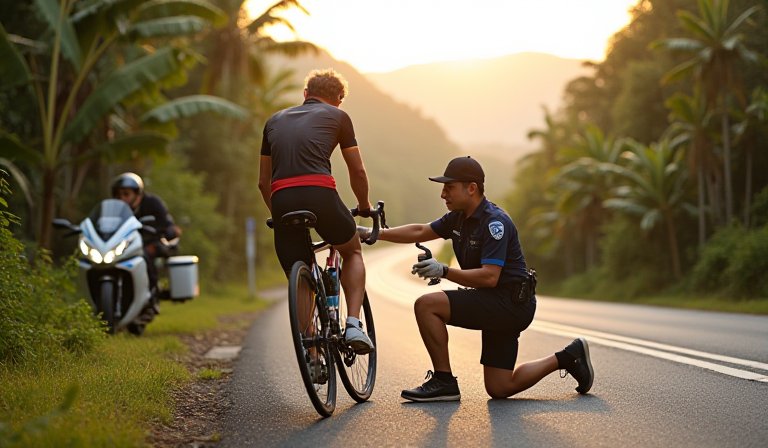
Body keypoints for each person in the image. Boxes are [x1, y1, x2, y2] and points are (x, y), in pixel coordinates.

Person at [358, 156, 594, 401]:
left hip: (509, 304)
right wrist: (372, 234)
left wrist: (444, 271)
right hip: (497, 302)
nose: (442, 194)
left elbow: (490, 277)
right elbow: (420, 230)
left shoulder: (495, 223)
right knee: (499, 387)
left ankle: (444, 381)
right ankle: (568, 357)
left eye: (449, 187)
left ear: (471, 188)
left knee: (427, 305)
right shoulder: (458, 218)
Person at [258, 68, 374, 354]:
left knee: (300, 272)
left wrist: (282, 217)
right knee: (352, 251)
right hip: (320, 193)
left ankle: (311, 350)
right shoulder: (339, 117)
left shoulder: (273, 120)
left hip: (282, 198)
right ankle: (353, 325)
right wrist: (364, 206)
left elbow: (263, 182)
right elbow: (357, 171)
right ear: (339, 100)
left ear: (306, 94)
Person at [111, 172, 180, 313]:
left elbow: (168, 224)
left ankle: (151, 297)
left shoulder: (152, 203)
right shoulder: (114, 210)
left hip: (150, 242)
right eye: (118, 195)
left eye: (126, 194)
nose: (122, 198)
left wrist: (169, 231)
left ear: (137, 194)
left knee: (146, 254)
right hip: (123, 246)